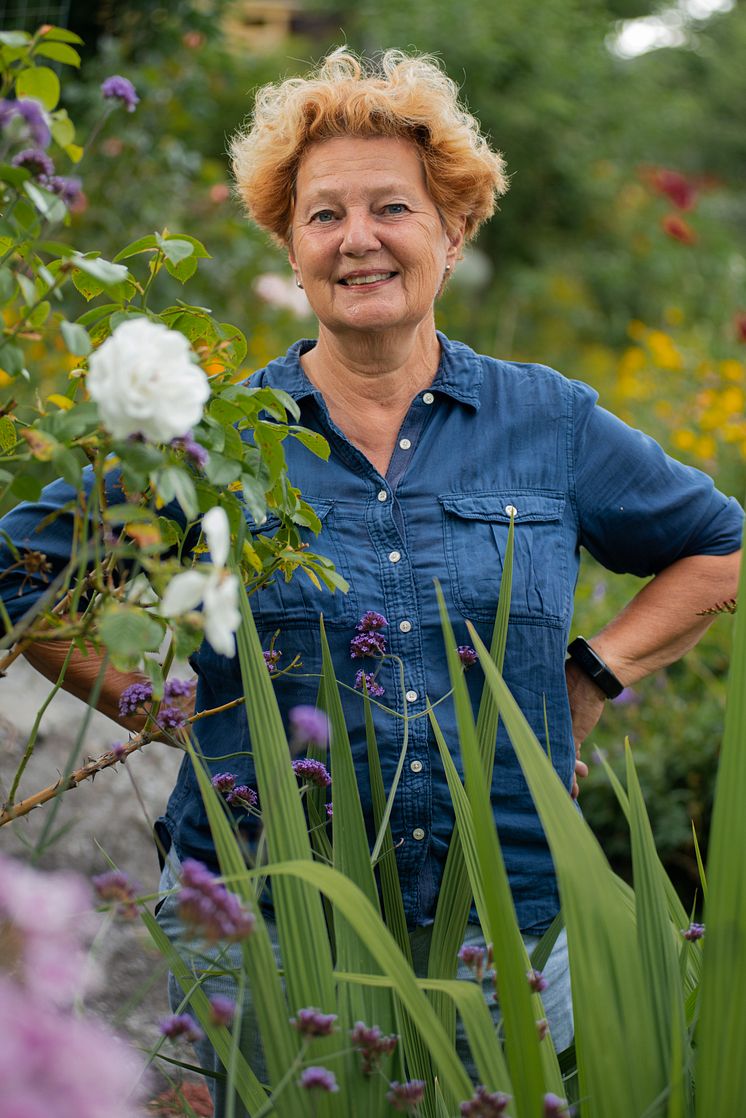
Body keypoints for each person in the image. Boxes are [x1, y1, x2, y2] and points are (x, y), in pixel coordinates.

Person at [0, 48, 742, 1113]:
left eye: (391, 206)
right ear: (289, 245)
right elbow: (21, 571)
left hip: (509, 921)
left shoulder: (550, 421)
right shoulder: (208, 435)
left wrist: (590, 674)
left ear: (452, 227)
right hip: (264, 926)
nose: (357, 238)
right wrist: (148, 706)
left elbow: (716, 544)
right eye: (321, 214)